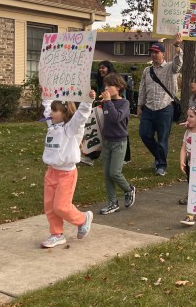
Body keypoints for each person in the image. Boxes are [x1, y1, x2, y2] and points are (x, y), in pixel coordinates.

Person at [40, 92, 95, 248]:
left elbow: (81, 115)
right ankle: (56, 234)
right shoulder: (52, 125)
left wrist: (88, 100)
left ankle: (83, 219)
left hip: (66, 174)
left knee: (61, 206)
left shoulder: (71, 129)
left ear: (64, 113)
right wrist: (46, 92)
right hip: (51, 172)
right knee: (50, 207)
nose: (51, 113)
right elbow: (46, 106)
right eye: (51, 110)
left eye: (55, 110)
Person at [137, 34, 183, 176]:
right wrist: (139, 105)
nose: (154, 55)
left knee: (163, 138)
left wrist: (177, 47)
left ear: (163, 53)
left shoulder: (170, 68)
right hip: (149, 109)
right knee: (144, 134)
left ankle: (161, 165)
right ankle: (159, 156)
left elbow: (178, 65)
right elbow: (142, 88)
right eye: (152, 52)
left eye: (157, 52)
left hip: (165, 108)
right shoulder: (147, 70)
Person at [99, 73, 136, 215]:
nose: (106, 88)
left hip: (119, 142)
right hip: (107, 141)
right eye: (105, 85)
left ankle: (128, 189)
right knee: (107, 174)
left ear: (119, 87)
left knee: (115, 172)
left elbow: (116, 118)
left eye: (110, 86)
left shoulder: (124, 103)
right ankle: (112, 202)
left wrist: (108, 102)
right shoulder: (106, 102)